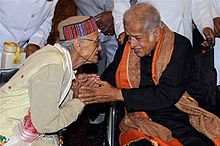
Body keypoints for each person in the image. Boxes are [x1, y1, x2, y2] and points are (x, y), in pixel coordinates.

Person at [77, 3, 220, 146]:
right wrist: (89, 88)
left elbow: (166, 94)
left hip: (179, 118)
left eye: (137, 38)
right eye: (129, 37)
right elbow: (110, 78)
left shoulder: (180, 47)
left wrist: (116, 94)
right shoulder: (127, 48)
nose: (132, 44)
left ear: (156, 33)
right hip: (140, 120)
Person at [0, 16, 101, 146]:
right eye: (96, 42)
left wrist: (72, 90)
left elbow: (46, 104)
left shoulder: (55, 57)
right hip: (8, 135)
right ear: (78, 45)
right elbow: (46, 124)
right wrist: (80, 101)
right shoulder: (53, 65)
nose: (99, 48)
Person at [74, 0, 118, 138]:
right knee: (92, 75)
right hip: (87, 19)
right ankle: (95, 119)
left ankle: (115, 121)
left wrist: (115, 15)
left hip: (120, 22)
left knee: (116, 75)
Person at [113, 0, 215, 46]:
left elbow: (198, 3)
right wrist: (123, 30)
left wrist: (205, 25)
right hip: (151, 37)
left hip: (185, 39)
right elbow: (121, 2)